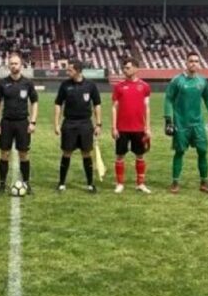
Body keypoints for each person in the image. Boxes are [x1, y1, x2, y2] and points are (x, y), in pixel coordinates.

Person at [163, 51, 208, 193]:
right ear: (186, 63)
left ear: (199, 64)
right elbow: (168, 99)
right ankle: (175, 183)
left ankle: (204, 182)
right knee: (180, 152)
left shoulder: (202, 81)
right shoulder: (177, 81)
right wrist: (168, 120)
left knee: (203, 151)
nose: (194, 63)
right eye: (191, 61)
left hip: (198, 123)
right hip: (181, 123)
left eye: (196, 61)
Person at [0, 53, 38, 194]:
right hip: (6, 122)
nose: (14, 66)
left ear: (21, 65)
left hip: (22, 123)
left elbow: (34, 102)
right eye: (11, 63)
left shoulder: (28, 83)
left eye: (16, 63)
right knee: (4, 153)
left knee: (24, 154)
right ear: (8, 66)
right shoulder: (3, 83)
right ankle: (2, 184)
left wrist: (33, 122)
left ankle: (26, 183)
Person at [54, 59, 102, 193]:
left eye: (70, 70)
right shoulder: (65, 85)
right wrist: (56, 124)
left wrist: (98, 124)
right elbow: (58, 104)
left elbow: (97, 105)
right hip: (69, 123)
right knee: (66, 152)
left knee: (86, 153)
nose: (67, 72)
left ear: (78, 70)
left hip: (85, 124)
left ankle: (90, 184)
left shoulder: (90, 85)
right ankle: (61, 183)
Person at [112, 57, 152, 194]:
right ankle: (119, 184)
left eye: (128, 67)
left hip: (139, 128)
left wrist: (148, 127)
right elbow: (114, 107)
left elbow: (147, 107)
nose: (125, 70)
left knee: (140, 156)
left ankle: (140, 184)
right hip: (122, 128)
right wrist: (114, 127)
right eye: (124, 68)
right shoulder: (119, 86)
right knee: (120, 156)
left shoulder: (145, 86)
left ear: (136, 68)